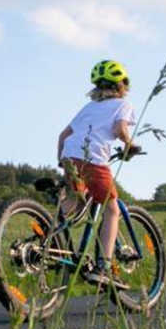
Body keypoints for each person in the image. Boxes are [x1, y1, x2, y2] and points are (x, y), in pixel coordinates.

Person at [56, 60, 139, 288]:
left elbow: (63, 136)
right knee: (112, 209)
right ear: (122, 85)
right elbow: (120, 129)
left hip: (70, 156)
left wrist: (62, 163)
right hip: (94, 159)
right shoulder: (123, 104)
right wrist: (130, 145)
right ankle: (103, 267)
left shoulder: (88, 108)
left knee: (75, 199)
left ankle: (48, 230)